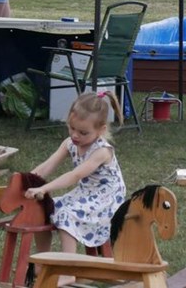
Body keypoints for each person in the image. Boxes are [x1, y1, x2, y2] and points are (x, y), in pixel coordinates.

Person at [26, 92, 126, 285]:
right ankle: (42, 263)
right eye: (71, 128)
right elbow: (47, 166)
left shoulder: (102, 151)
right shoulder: (69, 143)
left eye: (83, 132)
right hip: (86, 192)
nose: (75, 135)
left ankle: (68, 271)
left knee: (67, 213)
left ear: (101, 130)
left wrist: (44, 188)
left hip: (107, 198)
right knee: (44, 208)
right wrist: (26, 180)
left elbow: (75, 176)